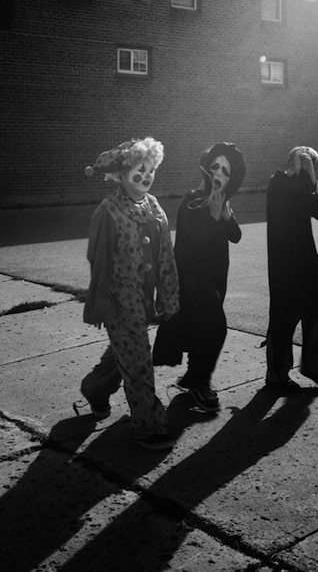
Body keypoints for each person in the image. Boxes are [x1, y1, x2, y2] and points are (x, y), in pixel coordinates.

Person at [77, 136, 180, 451]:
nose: (146, 176)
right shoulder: (108, 211)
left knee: (124, 351)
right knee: (137, 361)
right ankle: (149, 425)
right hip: (119, 298)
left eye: (151, 170)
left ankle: (94, 388)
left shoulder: (154, 207)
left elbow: (166, 256)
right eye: (139, 170)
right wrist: (102, 302)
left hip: (143, 297)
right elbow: (98, 260)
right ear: (121, 175)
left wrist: (169, 297)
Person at [153, 142, 245, 413]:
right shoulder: (192, 202)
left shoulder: (221, 201)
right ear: (206, 169)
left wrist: (225, 216)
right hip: (193, 278)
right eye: (215, 166)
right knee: (216, 327)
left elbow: (236, 236)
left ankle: (193, 377)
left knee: (201, 328)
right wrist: (214, 217)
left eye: (226, 171)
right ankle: (199, 383)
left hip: (215, 276)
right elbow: (194, 245)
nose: (219, 173)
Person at [264, 145, 318, 392]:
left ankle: (313, 364)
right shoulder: (278, 183)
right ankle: (276, 375)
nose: (311, 175)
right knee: (283, 318)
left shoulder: (301, 186)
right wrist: (301, 170)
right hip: (285, 263)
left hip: (306, 258)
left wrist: (312, 178)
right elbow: (313, 204)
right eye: (311, 169)